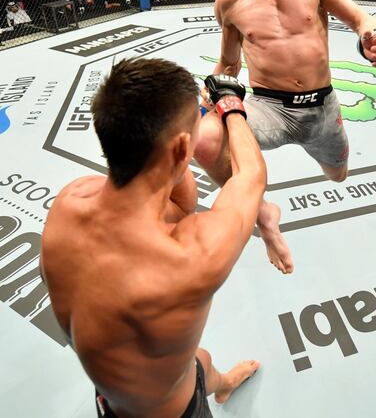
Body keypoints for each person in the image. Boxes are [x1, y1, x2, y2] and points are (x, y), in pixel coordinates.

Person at [41, 58, 263, 417]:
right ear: (179, 149)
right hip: (173, 413)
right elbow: (250, 176)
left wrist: (182, 135)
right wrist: (230, 106)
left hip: (117, 389)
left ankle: (224, 386)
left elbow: (177, 203)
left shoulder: (71, 200)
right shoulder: (189, 256)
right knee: (192, 372)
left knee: (199, 363)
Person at [193, 0, 376, 275]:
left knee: (338, 175)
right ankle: (265, 217)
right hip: (267, 109)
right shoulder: (230, 1)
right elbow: (228, 63)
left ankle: (327, 159)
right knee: (205, 139)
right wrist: (209, 93)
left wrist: (372, 38)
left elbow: (359, 18)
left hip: (322, 111)